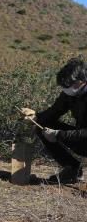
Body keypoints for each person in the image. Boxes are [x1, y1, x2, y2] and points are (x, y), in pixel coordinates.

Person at [20, 56, 87, 184]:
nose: (65, 89)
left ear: (81, 81)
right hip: (82, 139)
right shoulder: (70, 92)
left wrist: (58, 135)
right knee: (43, 124)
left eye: (68, 85)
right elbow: (55, 111)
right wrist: (35, 116)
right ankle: (72, 169)